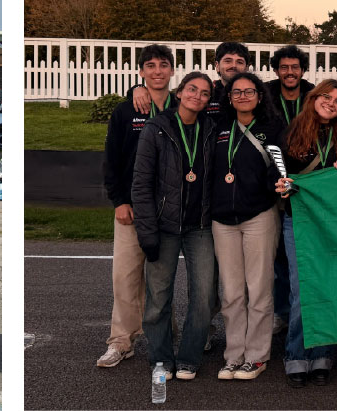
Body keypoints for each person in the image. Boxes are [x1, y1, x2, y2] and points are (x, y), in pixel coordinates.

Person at [133, 72, 217, 381]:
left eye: (204, 93)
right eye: (192, 89)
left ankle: (189, 358)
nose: (197, 95)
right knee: (158, 296)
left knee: (205, 295)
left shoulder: (212, 129)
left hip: (200, 226)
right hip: (163, 226)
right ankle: (160, 359)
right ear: (179, 93)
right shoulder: (156, 128)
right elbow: (141, 184)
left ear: (209, 100)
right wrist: (146, 231)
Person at [97, 44, 177, 368]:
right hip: (132, 209)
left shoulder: (184, 106)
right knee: (125, 278)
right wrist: (119, 201)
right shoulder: (126, 111)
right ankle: (121, 342)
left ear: (172, 70)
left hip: (169, 210)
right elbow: (111, 160)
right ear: (141, 71)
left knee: (162, 280)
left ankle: (166, 338)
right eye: (151, 66)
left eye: (163, 65)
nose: (157, 71)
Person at [272, 79, 337, 388]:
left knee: (327, 289)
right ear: (314, 97)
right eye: (326, 96)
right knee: (301, 290)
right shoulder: (292, 130)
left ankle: (321, 354)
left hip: (330, 223)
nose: (331, 103)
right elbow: (277, 171)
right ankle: (296, 354)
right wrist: (280, 184)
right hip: (299, 221)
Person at [210, 71, 284, 381]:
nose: (242, 96)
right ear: (228, 97)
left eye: (249, 91)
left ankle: (256, 356)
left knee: (259, 289)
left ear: (259, 95)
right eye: (236, 92)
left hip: (259, 216)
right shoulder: (217, 126)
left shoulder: (273, 127)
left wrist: (275, 184)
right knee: (232, 293)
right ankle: (233, 354)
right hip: (222, 219)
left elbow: (280, 167)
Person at [129, 42, 250, 125]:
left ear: (246, 68)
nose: (233, 66)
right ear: (217, 66)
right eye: (228, 61)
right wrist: (137, 88)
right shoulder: (208, 93)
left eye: (239, 62)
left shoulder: (256, 94)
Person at [266, 45, 316, 125]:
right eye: (284, 67)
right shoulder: (265, 96)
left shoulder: (314, 97)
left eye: (295, 67)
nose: (290, 72)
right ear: (276, 71)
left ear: (302, 71)